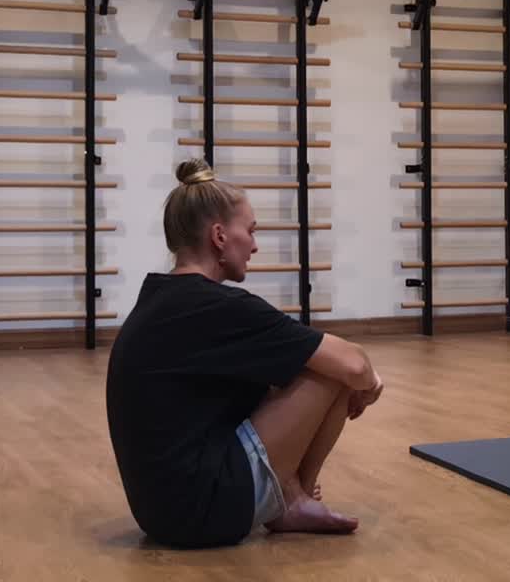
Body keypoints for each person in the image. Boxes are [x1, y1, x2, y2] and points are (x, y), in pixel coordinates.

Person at [106, 159, 385, 548]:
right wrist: (369, 383)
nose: (254, 245)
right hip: (202, 513)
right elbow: (353, 364)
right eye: (250, 232)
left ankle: (290, 497)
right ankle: (294, 500)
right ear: (219, 236)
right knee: (331, 370)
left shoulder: (163, 298)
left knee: (299, 364)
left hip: (164, 512)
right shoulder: (217, 307)